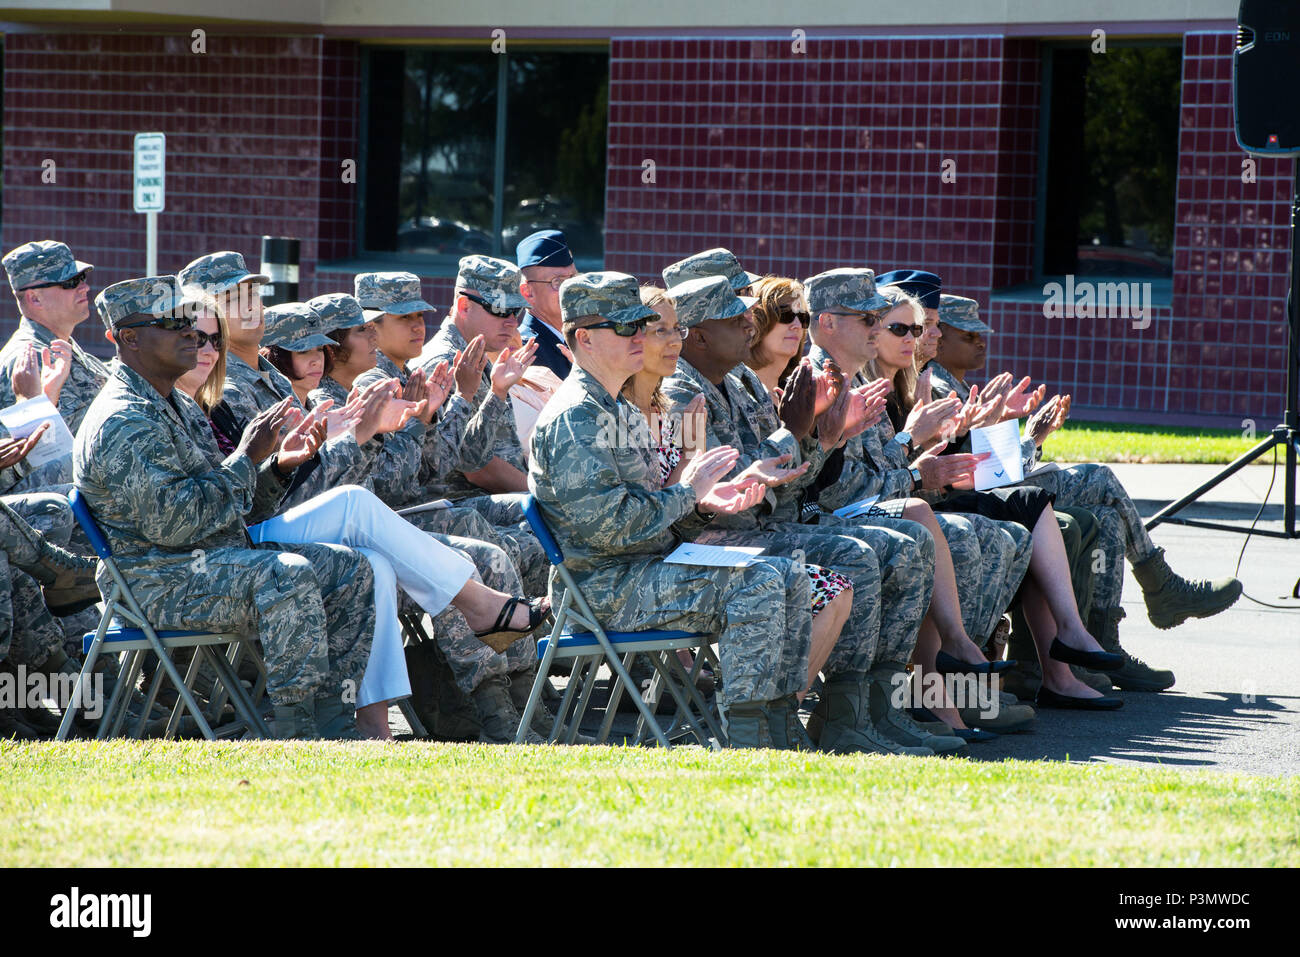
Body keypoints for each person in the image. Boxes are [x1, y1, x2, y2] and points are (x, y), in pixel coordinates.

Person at [530, 270, 854, 750]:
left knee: (787, 574)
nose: (642, 336)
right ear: (584, 339)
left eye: (643, 324)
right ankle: (748, 735)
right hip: (603, 586)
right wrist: (689, 493)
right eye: (626, 328)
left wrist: (702, 505)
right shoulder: (578, 414)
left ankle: (780, 722)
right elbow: (611, 528)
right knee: (760, 581)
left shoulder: (614, 406)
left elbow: (648, 513)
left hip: (639, 565)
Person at [659, 271, 963, 754]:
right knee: (861, 556)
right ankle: (820, 718)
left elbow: (786, 480)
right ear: (697, 335)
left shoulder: (740, 383)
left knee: (903, 546)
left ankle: (865, 709)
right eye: (737, 319)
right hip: (709, 540)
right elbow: (731, 491)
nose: (750, 326)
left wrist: (822, 440)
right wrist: (807, 433)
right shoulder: (680, 391)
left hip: (760, 525)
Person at [926, 292, 1242, 693]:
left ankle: (1103, 646)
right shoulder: (939, 386)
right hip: (967, 499)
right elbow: (982, 473)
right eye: (968, 335)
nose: (981, 342)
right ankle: (1160, 586)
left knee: (1106, 519)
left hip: (987, 491)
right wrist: (1032, 439)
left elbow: (989, 466)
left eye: (981, 333)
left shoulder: (954, 383)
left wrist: (1020, 435)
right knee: (1099, 478)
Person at [867, 288, 1126, 710]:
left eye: (924, 326)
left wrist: (1005, 430)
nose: (920, 337)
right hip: (909, 502)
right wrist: (957, 434)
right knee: (1027, 523)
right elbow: (913, 472)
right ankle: (972, 684)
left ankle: (1061, 653)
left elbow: (968, 468)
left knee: (1041, 507)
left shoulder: (916, 380)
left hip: (929, 494)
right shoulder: (902, 382)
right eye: (909, 327)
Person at [0, 241, 110, 491]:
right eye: (71, 282)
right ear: (34, 298)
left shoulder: (66, 348)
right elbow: (34, 456)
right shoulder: (30, 358)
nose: (85, 287)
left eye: (81, 277)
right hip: (60, 514)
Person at [516, 229, 578, 379]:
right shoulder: (526, 351)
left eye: (573, 278)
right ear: (528, 292)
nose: (570, 289)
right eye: (558, 281)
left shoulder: (579, 340)